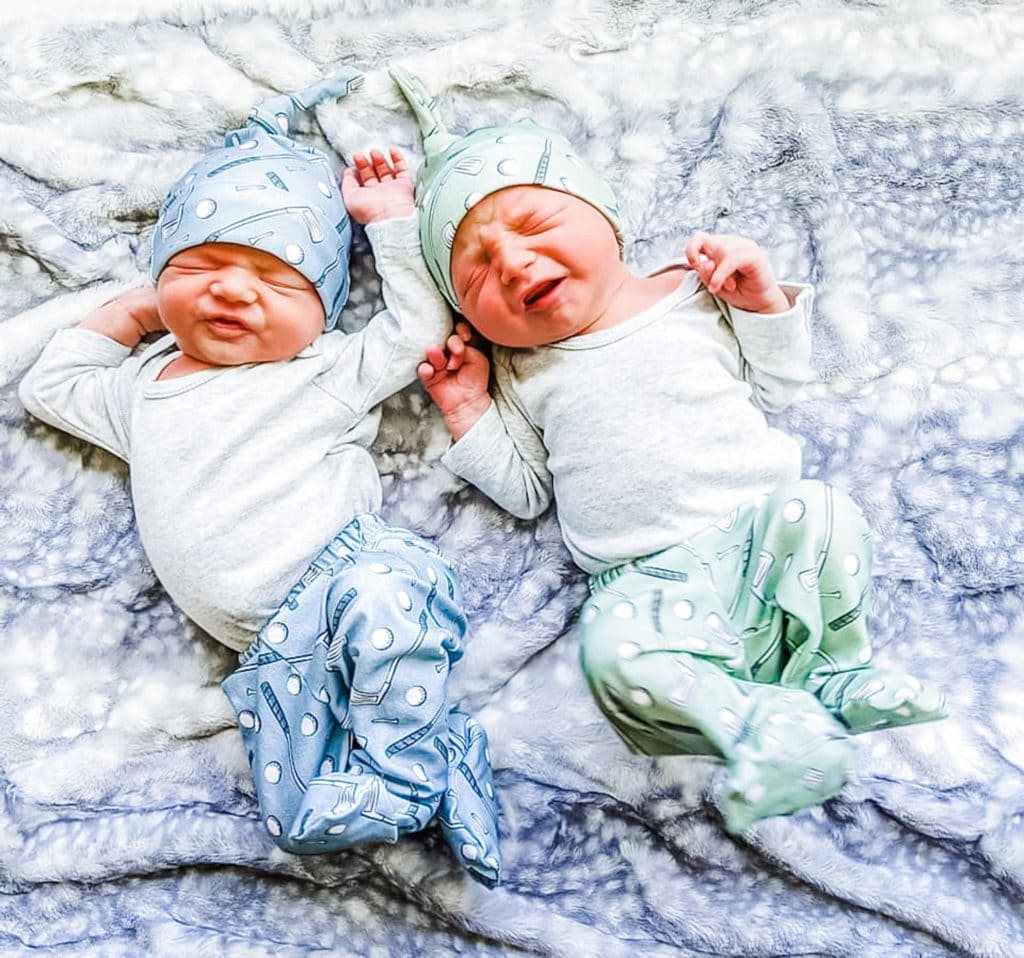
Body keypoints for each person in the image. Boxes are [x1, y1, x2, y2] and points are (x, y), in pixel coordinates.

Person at [388, 68, 947, 833]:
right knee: (612, 657)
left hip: (760, 536)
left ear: (606, 219)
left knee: (820, 510)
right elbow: (525, 494)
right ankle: (761, 726)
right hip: (647, 586)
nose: (512, 263)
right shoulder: (520, 371)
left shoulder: (690, 291)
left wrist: (762, 301)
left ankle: (834, 670)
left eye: (534, 225)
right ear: (472, 318)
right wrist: (467, 409)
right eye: (476, 270)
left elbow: (778, 384)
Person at [17, 70, 501, 885]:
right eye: (200, 267)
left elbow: (416, 324)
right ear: (161, 277)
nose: (233, 290)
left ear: (323, 309)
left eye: (278, 280)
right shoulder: (142, 389)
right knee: (298, 822)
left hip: (349, 578)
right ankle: (430, 770)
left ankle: (413, 760)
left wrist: (388, 222)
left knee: (388, 615)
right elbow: (48, 388)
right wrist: (132, 316)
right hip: (270, 650)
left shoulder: (326, 368)